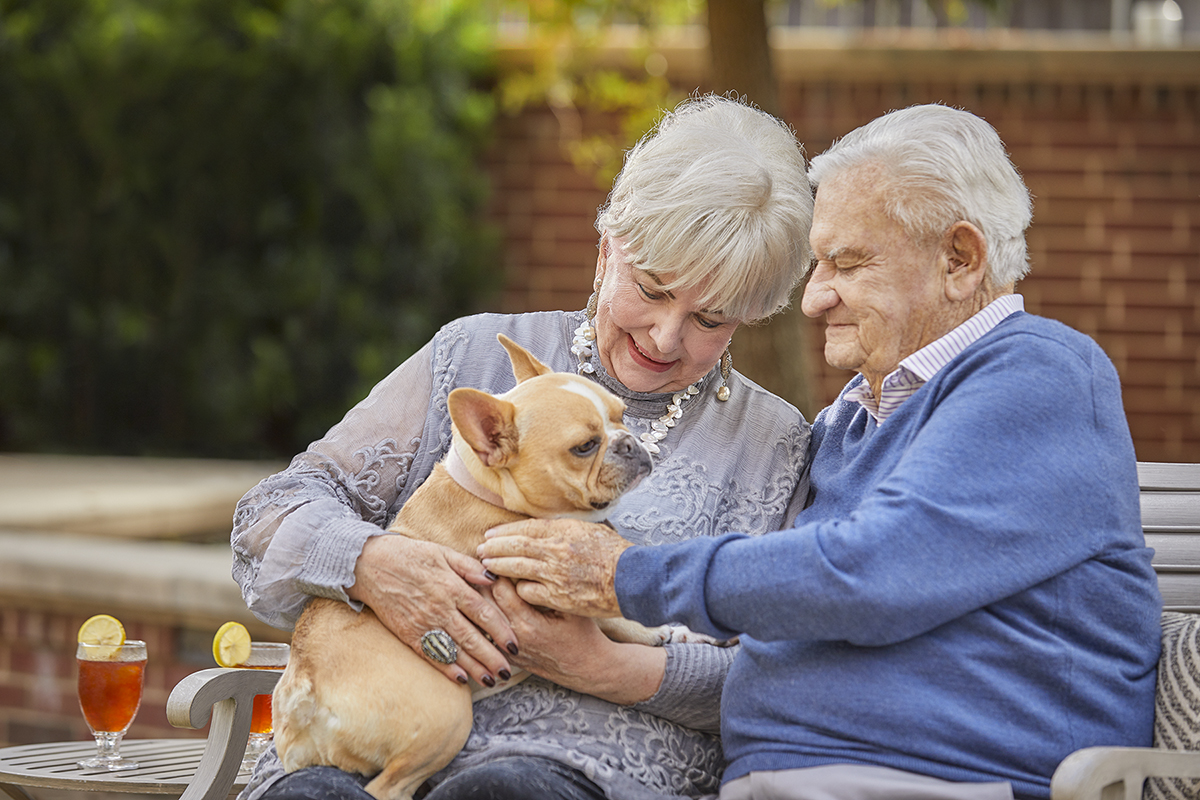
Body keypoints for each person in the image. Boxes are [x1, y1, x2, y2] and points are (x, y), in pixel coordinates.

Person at [479, 103, 1163, 800]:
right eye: (818, 263)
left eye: (847, 262)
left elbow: (873, 572)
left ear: (959, 260)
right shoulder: (850, 424)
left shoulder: (1037, 374)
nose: (813, 299)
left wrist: (625, 577)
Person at [230, 94, 816, 800]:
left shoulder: (774, 445)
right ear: (608, 250)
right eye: (653, 290)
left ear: (752, 315)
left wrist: (605, 665)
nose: (665, 337)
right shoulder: (473, 356)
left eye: (711, 319)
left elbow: (786, 681)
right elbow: (267, 518)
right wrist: (374, 563)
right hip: (361, 751)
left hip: (581, 773)